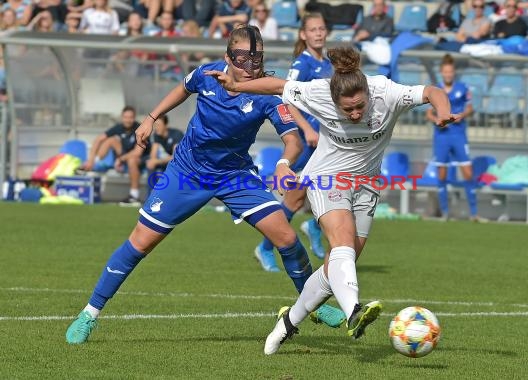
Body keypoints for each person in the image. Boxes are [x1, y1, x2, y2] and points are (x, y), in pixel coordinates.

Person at [65, 25, 344, 345]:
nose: (250, 65)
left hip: (235, 176)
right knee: (140, 243)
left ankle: (312, 304)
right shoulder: (207, 75)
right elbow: (182, 88)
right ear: (228, 57)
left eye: (257, 58)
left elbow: (292, 140)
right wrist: (151, 117)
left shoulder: (268, 93)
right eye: (242, 58)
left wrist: (283, 163)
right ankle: (89, 313)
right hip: (187, 172)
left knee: (287, 237)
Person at [206, 45, 455, 354]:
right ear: (334, 98)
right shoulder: (319, 92)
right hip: (327, 177)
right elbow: (278, 85)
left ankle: (287, 322)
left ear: (367, 92)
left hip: (367, 184)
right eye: (347, 109)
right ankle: (354, 311)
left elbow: (431, 90)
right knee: (342, 245)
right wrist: (236, 85)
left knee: (334, 268)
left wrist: (443, 111)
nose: (354, 114)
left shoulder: (386, 92)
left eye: (359, 107)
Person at [254, 12, 332, 272]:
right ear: (303, 34)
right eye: (313, 29)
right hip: (309, 140)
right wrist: (306, 129)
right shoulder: (303, 63)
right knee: (294, 198)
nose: (318, 33)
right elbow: (287, 97)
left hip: (327, 139)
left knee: (335, 189)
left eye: (322, 28)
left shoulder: (328, 63)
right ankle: (266, 247)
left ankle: (313, 226)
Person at [426, 54, 480, 221]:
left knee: (468, 173)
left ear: (454, 72)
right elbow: (429, 112)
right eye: (445, 72)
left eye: (450, 72)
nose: (448, 74)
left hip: (458, 134)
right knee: (442, 175)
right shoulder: (436, 90)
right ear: (442, 72)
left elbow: (470, 108)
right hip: (442, 136)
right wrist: (437, 120)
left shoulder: (463, 88)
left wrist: (462, 115)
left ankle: (473, 213)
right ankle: (445, 213)